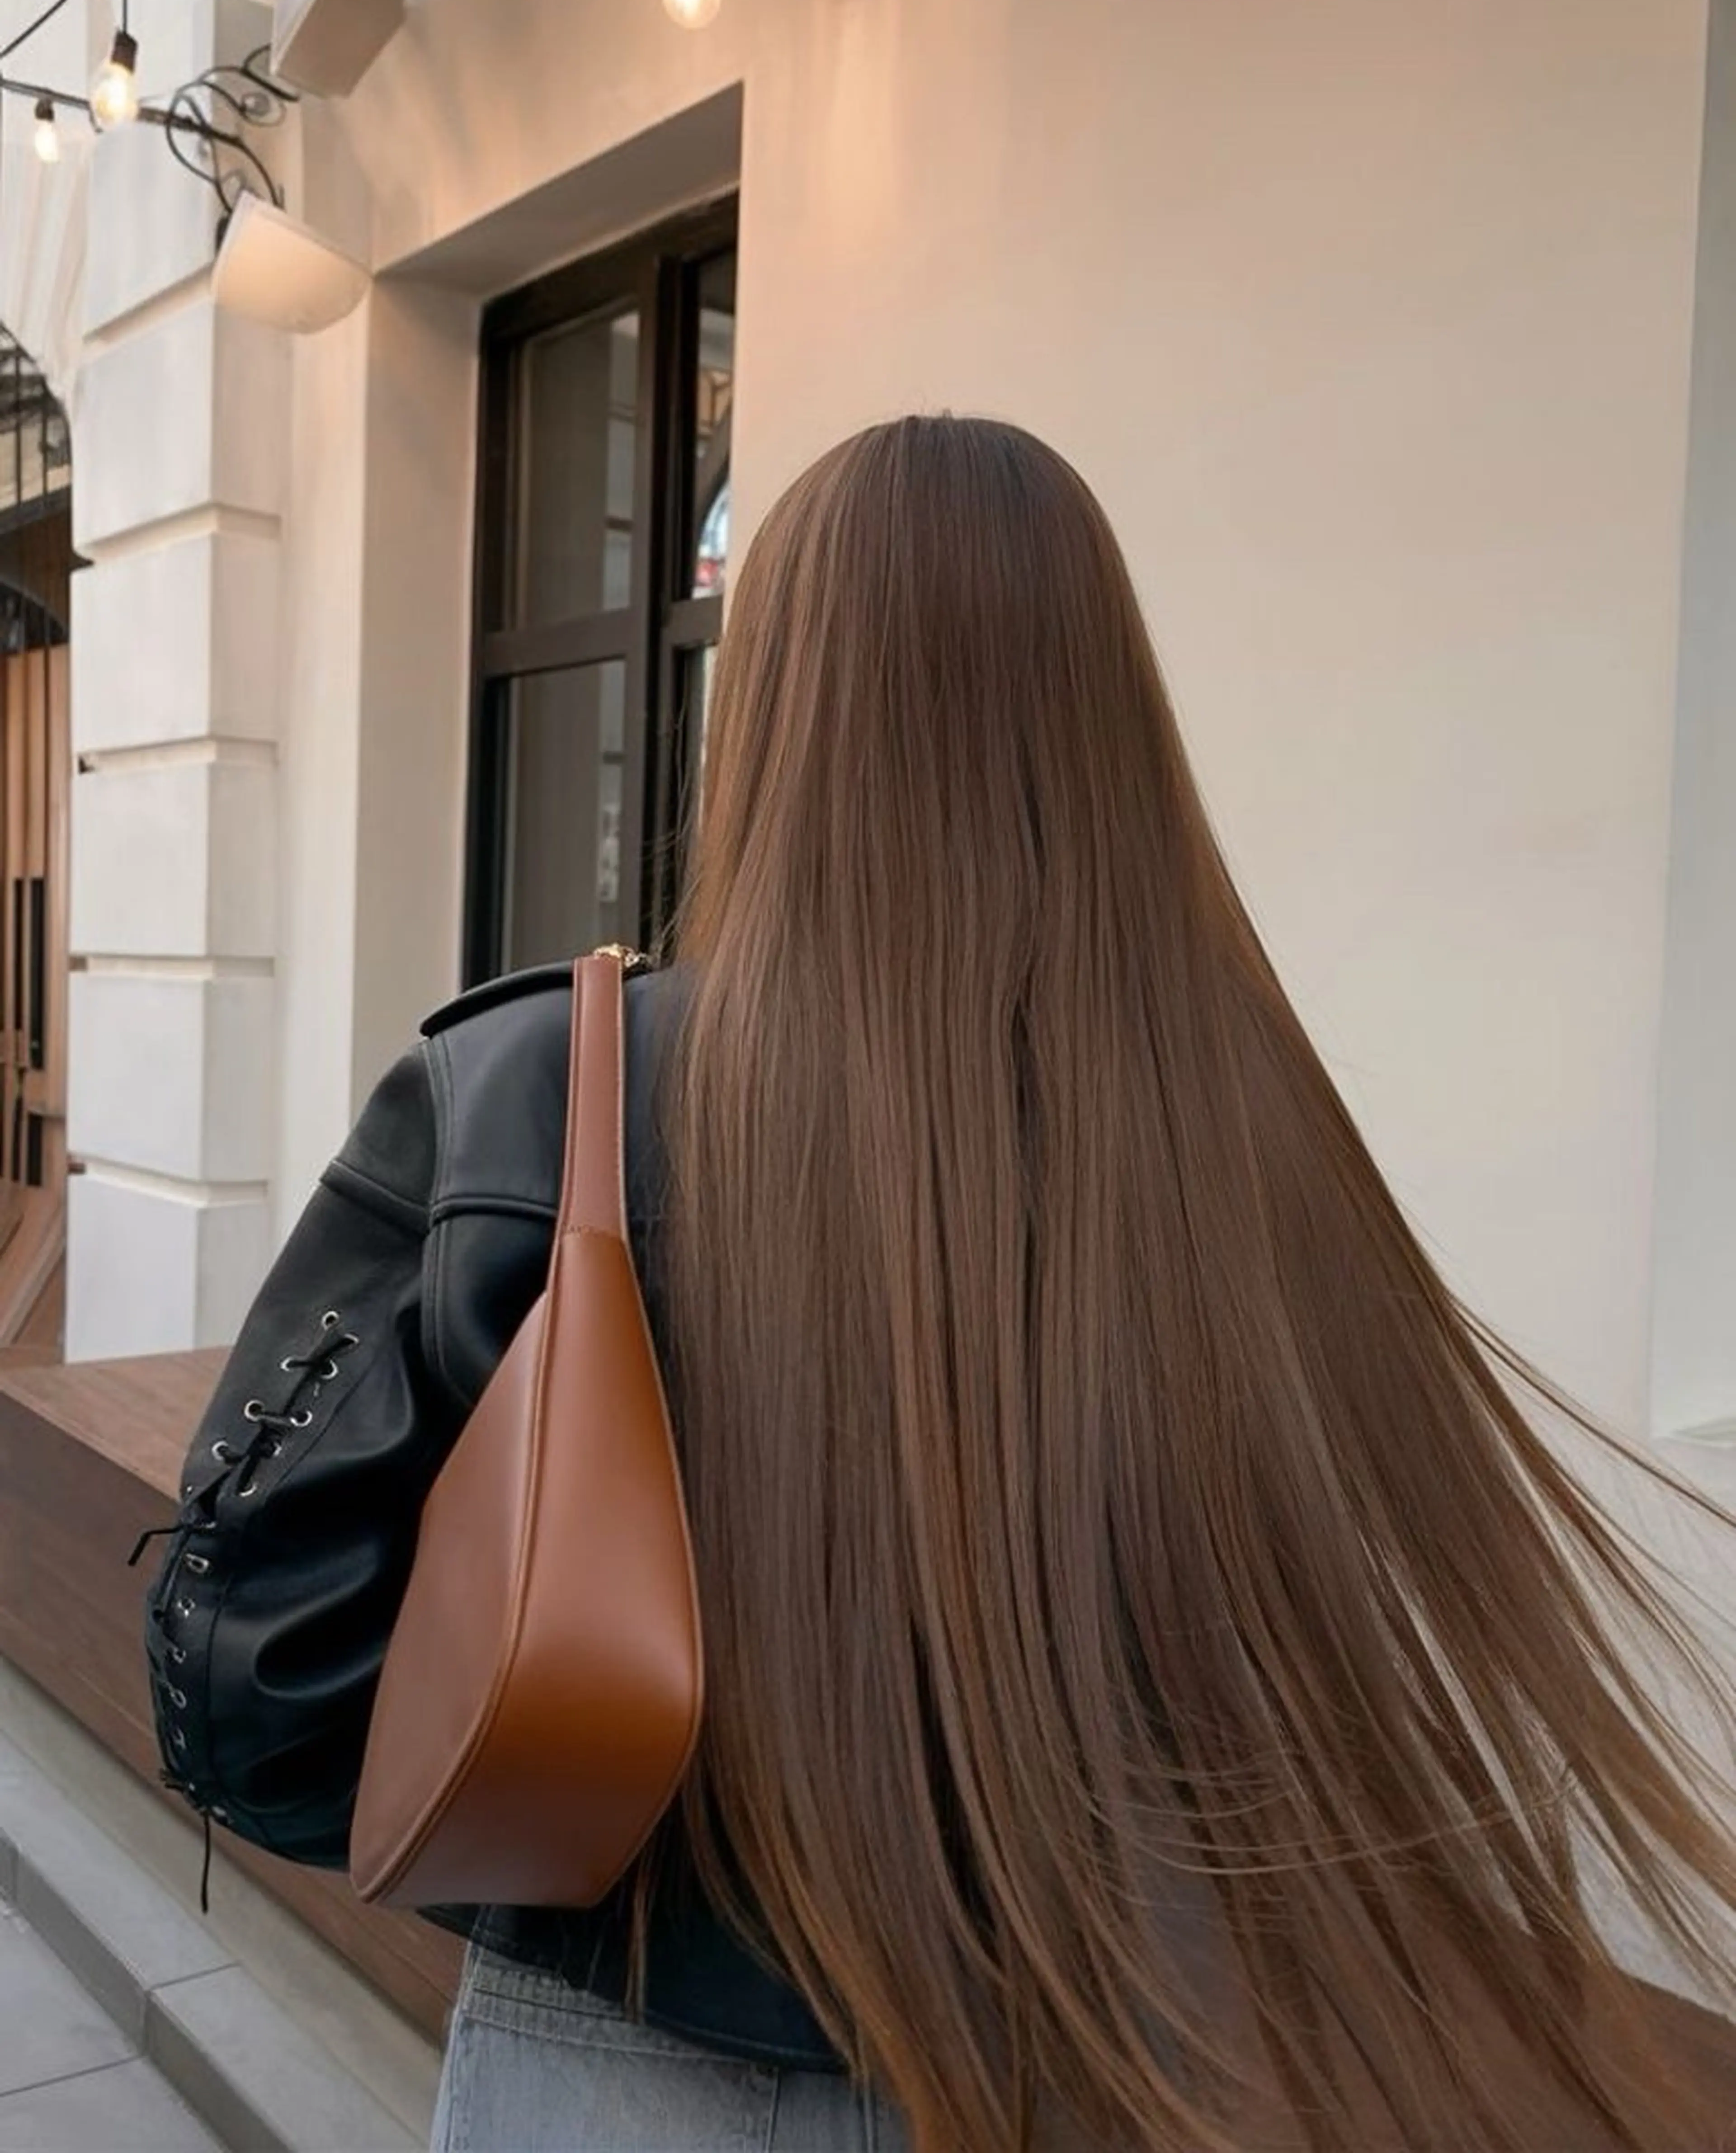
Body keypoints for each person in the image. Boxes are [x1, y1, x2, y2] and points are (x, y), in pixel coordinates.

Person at [151, 417, 1736, 2152]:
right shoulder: (1248, 1134)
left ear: (768, 709)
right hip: (1127, 2053)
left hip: (619, 2047)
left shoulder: (544, 1093)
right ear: (1108, 713)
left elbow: (260, 1686)